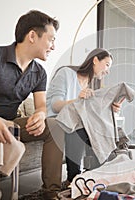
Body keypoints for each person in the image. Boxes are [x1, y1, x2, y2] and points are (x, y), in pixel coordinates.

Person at [0, 10, 63, 199]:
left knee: (55, 125)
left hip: (11, 124)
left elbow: (41, 106)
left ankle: (51, 192)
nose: (53, 47)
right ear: (32, 36)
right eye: (51, 39)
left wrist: (40, 115)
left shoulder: (39, 73)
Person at [46, 48, 124, 190]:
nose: (108, 70)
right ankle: (73, 178)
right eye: (107, 64)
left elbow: (92, 113)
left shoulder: (92, 86)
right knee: (79, 126)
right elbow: (55, 106)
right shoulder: (66, 73)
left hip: (77, 121)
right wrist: (78, 99)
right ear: (95, 60)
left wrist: (111, 109)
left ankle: (94, 175)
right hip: (58, 119)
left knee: (98, 128)